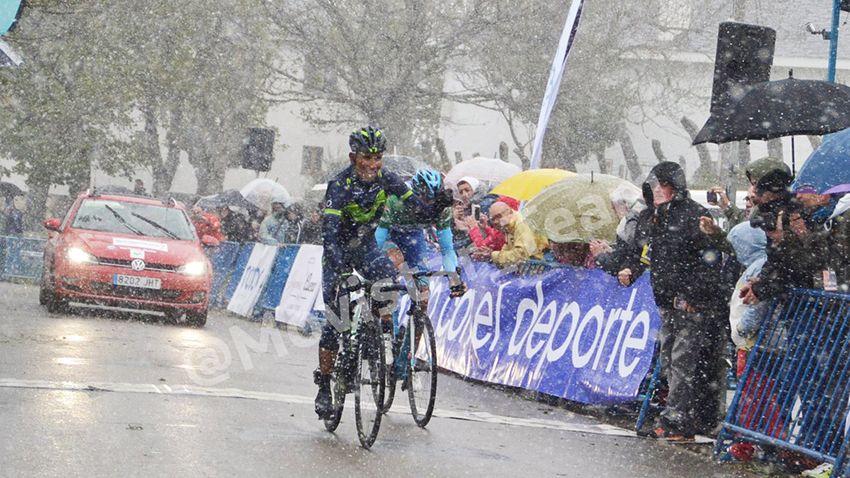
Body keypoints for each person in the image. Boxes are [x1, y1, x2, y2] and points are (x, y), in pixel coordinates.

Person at [315, 126, 429, 419]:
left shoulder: (386, 179)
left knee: (387, 281)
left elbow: (414, 207)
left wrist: (432, 207)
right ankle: (325, 385)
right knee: (336, 320)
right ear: (354, 157)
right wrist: (339, 267)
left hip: (365, 247)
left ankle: (373, 339)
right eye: (367, 157)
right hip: (338, 250)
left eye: (378, 157)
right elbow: (329, 231)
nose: (373, 164)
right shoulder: (340, 184)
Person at [614, 161, 728, 441]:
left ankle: (679, 421)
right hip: (665, 301)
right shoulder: (658, 216)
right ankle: (680, 416)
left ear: (672, 186)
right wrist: (633, 268)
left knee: (683, 362)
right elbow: (647, 252)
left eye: (659, 185)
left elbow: (710, 261)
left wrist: (694, 295)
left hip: (690, 304)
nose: (654, 190)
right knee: (669, 361)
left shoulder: (693, 216)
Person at [374, 168, 461, 309]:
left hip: (414, 236)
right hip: (389, 234)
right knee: (395, 264)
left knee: (423, 293)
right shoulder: (396, 200)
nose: (427, 205)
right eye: (423, 199)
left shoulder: (442, 208)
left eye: (432, 201)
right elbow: (379, 237)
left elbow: (447, 249)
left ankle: (418, 326)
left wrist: (453, 276)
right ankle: (388, 323)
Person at [470, 200, 548, 267]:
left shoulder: (521, 224)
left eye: (499, 216)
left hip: (541, 263)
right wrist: (492, 255)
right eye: (493, 219)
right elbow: (507, 249)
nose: (496, 221)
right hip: (531, 264)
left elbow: (522, 256)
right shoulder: (508, 226)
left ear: (510, 212)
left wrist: (492, 255)